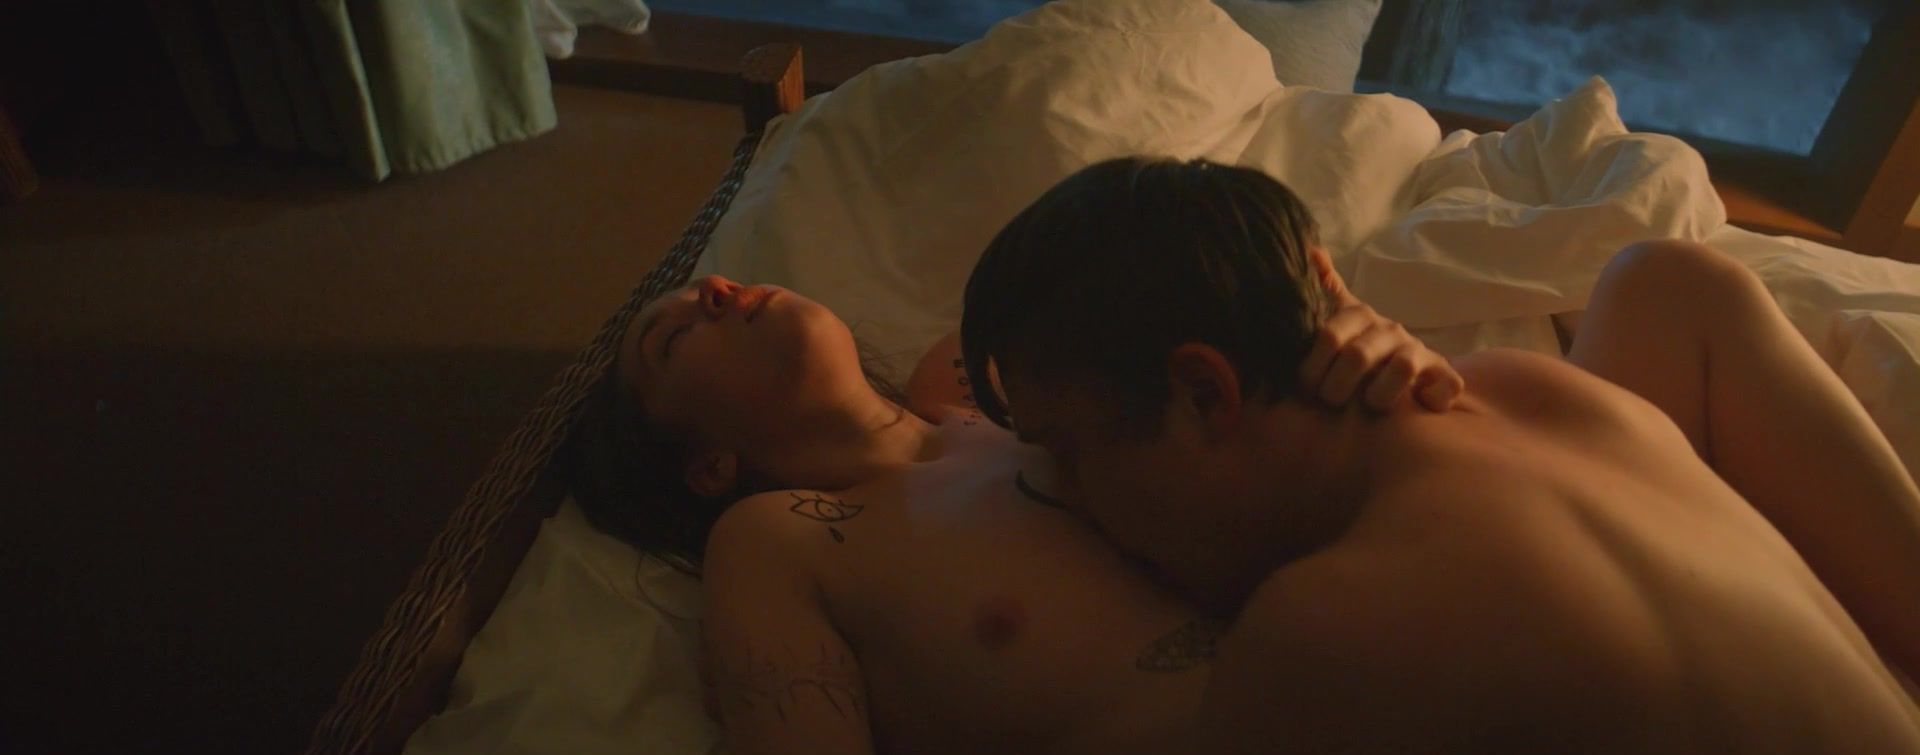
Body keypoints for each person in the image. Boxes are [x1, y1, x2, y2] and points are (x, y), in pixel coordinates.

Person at [961, 156, 1920, 752]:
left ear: (1205, 393)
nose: (1067, 495)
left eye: (1071, 451)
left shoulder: (1325, 631)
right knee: (1662, 279)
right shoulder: (1530, 392)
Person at [569, 257, 1458, 753]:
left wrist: (1365, 352)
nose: (718, 288)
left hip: (1415, 681)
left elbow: (1233, 362)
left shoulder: (981, 378)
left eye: (715, 283)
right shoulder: (778, 538)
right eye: (674, 337)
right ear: (707, 464)